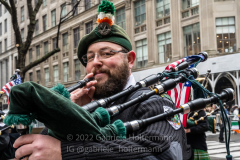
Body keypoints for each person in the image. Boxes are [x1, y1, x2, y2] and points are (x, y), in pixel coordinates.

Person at [12, 1, 191, 160]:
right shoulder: (84, 107)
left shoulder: (153, 102)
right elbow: (41, 150)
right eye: (90, 58)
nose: (96, 62)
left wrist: (67, 152)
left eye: (107, 53)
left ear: (130, 60)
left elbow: (166, 152)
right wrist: (67, 114)